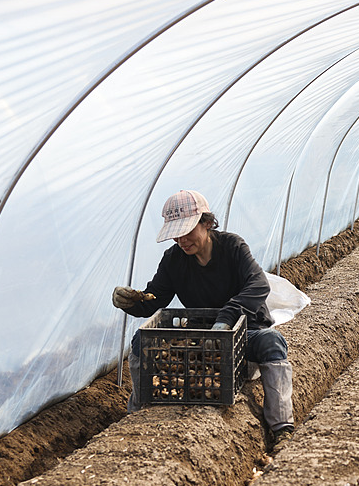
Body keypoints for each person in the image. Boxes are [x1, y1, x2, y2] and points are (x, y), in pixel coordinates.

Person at [112, 189, 296, 452]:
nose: (181, 240)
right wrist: (131, 302)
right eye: (176, 234)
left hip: (245, 333)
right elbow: (155, 299)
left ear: (207, 223)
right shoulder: (174, 259)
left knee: (271, 341)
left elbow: (258, 285)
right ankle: (138, 413)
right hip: (204, 337)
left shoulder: (232, 247)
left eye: (187, 231)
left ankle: (281, 428)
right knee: (142, 341)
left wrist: (227, 317)